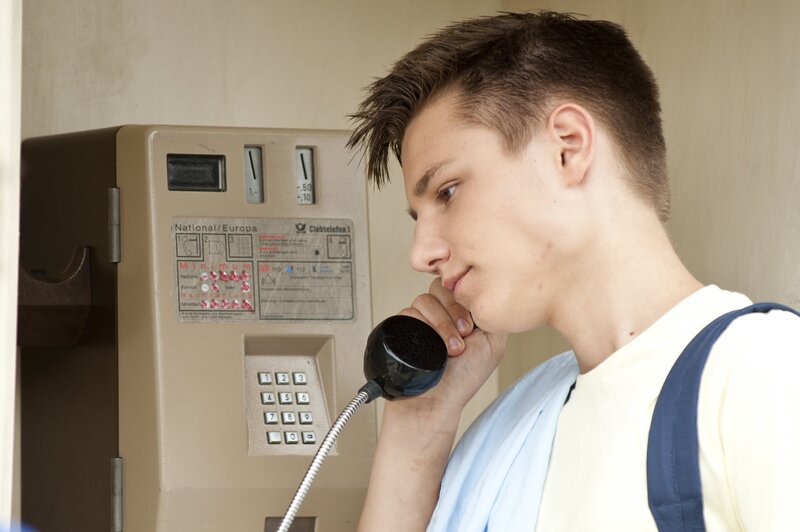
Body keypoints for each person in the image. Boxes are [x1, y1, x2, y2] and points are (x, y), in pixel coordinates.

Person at [347, 11, 800, 532]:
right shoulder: (522, 423)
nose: (421, 253)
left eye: (447, 192)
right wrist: (416, 430)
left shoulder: (762, 368)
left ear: (568, 147)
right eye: (418, 216)